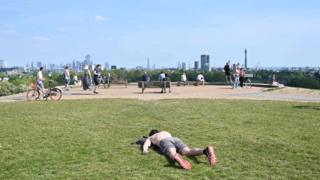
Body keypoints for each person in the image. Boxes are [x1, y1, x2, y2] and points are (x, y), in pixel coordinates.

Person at [143, 129, 217, 170]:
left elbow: (146, 144)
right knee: (187, 151)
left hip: (164, 141)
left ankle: (176, 156)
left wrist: (145, 150)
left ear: (151, 134)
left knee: (171, 152)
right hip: (175, 138)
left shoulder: (151, 137)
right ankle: (205, 150)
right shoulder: (165, 131)